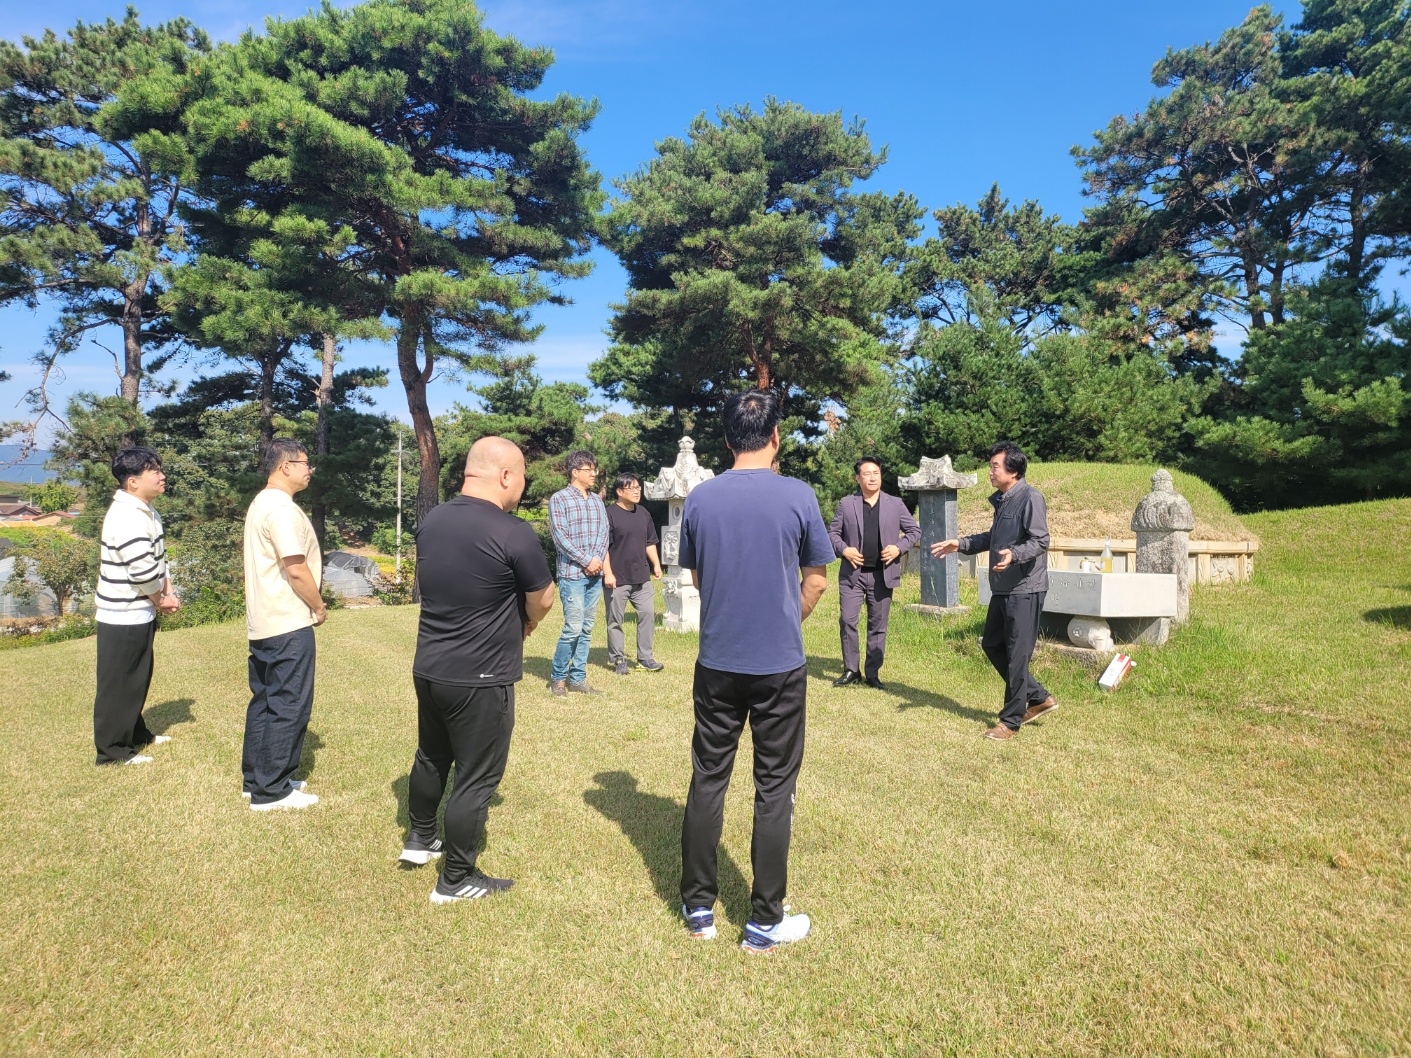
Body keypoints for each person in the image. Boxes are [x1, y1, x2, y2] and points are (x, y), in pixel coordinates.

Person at [677, 390, 833, 953]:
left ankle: (698, 907)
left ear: (726, 439)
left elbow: (697, 577)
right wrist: (786, 617)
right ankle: (765, 919)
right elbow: (816, 580)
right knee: (774, 788)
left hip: (717, 660)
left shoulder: (700, 499)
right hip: (779, 664)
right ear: (775, 436)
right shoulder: (798, 495)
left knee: (708, 777)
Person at [403, 437, 555, 903]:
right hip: (481, 674)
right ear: (506, 476)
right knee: (477, 776)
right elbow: (543, 597)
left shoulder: (432, 521)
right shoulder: (513, 532)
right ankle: (456, 878)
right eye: (523, 476)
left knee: (431, 755)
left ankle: (420, 838)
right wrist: (528, 622)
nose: (523, 487)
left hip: (430, 666)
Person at [930, 440, 1057, 740]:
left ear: (1013, 470)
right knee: (992, 643)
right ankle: (1039, 697)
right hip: (1003, 587)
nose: (990, 471)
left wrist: (1015, 554)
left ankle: (1010, 722)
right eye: (990, 466)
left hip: (1025, 587)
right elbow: (993, 537)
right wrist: (960, 543)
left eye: (994, 466)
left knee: (1017, 656)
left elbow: (1040, 540)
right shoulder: (1003, 500)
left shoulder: (1030, 497)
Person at [241, 438, 325, 810]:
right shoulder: (281, 509)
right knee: (289, 704)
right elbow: (296, 568)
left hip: (264, 620)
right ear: (285, 466)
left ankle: (256, 780)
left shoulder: (261, 503)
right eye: (305, 463)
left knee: (264, 701)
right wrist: (318, 606)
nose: (310, 470)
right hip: (287, 620)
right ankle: (271, 791)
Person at [93, 447, 181, 765]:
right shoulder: (128, 516)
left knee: (135, 677)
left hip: (137, 610)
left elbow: (157, 558)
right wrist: (161, 599)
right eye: (154, 471)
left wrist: (167, 587)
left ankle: (135, 733)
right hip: (123, 614)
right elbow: (141, 571)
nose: (162, 476)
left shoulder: (143, 509)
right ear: (133, 481)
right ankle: (113, 751)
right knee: (119, 683)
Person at [827, 455, 921, 690]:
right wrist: (844, 550)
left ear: (881, 476)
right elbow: (832, 534)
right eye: (867, 474)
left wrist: (898, 548)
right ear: (857, 478)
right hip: (852, 575)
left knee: (878, 625)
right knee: (848, 620)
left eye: (876, 473)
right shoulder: (846, 504)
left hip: (882, 575)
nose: (872, 478)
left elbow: (914, 531)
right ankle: (851, 669)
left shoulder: (895, 504)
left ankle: (872, 673)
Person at [546, 449, 609, 696]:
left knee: (586, 628)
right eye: (588, 470)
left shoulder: (597, 501)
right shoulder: (559, 499)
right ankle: (558, 679)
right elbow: (559, 537)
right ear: (574, 472)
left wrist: (597, 561)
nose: (593, 474)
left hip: (595, 575)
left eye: (594, 469)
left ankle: (578, 679)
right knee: (573, 627)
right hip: (572, 574)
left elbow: (604, 533)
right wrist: (586, 560)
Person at [602, 471, 664, 677]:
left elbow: (650, 542)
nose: (637, 491)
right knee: (615, 620)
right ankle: (618, 659)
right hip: (617, 578)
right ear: (619, 492)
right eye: (632, 488)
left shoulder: (643, 513)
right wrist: (608, 573)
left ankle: (645, 658)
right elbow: (603, 548)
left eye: (638, 487)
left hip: (641, 577)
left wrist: (656, 564)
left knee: (647, 614)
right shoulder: (609, 514)